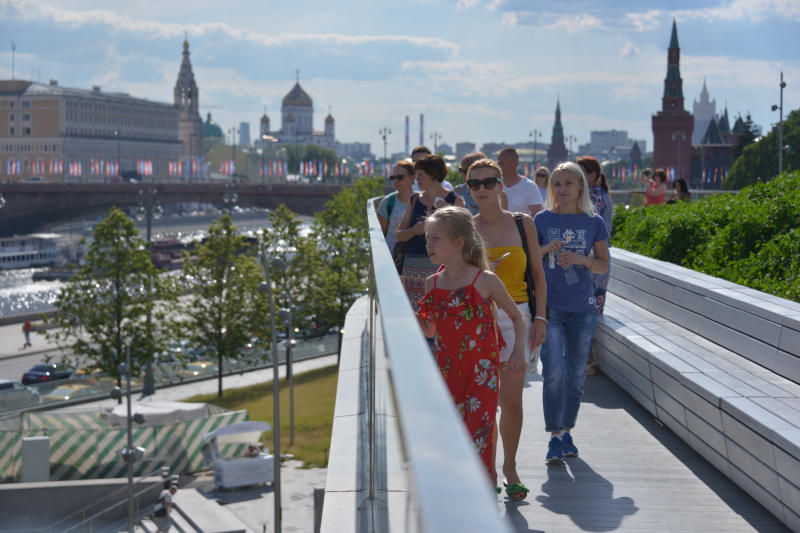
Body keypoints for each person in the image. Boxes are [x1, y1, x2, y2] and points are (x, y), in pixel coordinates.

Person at [416, 205, 527, 483]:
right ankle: (459, 489)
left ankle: (486, 490)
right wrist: (413, 320)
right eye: (427, 237)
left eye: (435, 238)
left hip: (482, 372)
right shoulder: (432, 284)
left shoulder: (484, 280)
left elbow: (517, 319)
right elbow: (432, 332)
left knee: (480, 431)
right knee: (452, 433)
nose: (428, 244)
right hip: (447, 370)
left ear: (458, 242)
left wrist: (516, 353)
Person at [469, 158, 547, 500]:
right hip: (479, 320)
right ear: (468, 189)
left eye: (489, 182)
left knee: (511, 400)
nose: (483, 189)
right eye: (475, 184)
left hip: (518, 316)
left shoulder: (522, 223)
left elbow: (539, 275)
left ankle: (510, 467)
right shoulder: (466, 229)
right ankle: (483, 470)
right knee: (483, 402)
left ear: (502, 185)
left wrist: (541, 318)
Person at [534, 162, 609, 464]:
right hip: (550, 306)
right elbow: (528, 258)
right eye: (557, 184)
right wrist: (544, 249)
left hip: (582, 308)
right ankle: (554, 437)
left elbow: (603, 264)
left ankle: (566, 432)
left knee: (576, 376)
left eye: (568, 183)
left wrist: (581, 258)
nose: (563, 189)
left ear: (581, 186)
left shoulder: (594, 221)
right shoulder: (541, 219)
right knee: (553, 373)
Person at [396, 155, 463, 310]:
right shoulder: (414, 199)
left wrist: (447, 212)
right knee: (416, 315)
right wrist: (413, 231)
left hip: (443, 267)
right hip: (413, 269)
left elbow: (465, 236)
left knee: (442, 311)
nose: (415, 179)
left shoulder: (454, 200)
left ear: (433, 175)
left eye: (420, 175)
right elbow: (399, 234)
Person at [377, 161, 415, 251]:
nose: (396, 181)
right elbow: (380, 234)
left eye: (400, 177)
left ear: (412, 178)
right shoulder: (388, 202)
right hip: (391, 256)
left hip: (413, 258)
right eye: (393, 177)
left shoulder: (420, 201)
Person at [497, 148, 543, 218]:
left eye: (501, 163)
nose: (498, 166)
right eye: (497, 163)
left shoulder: (530, 187)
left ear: (515, 164)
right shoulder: (493, 186)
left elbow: (537, 217)